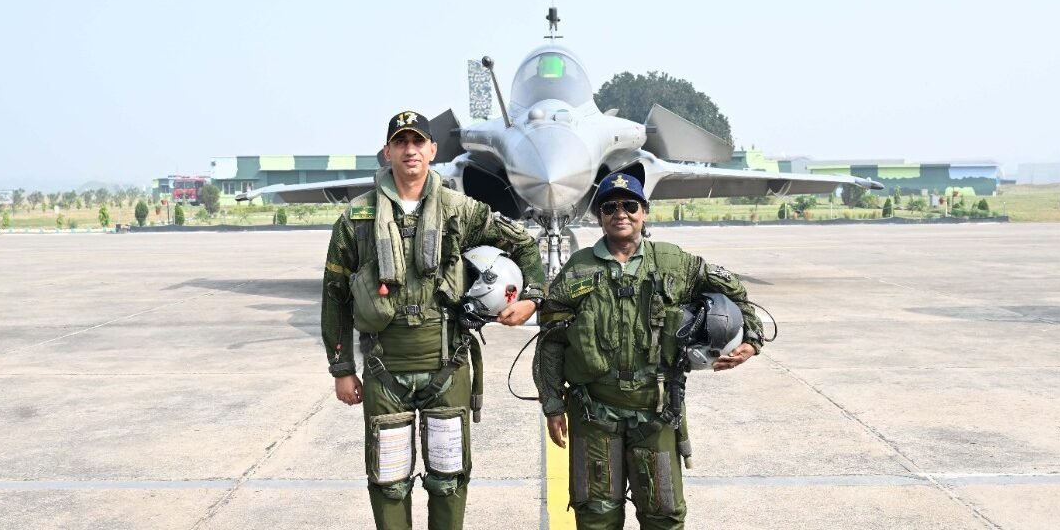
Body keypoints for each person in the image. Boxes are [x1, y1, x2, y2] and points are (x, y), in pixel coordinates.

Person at [322, 111, 547, 530]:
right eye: (401, 142)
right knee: (388, 481)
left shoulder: (459, 210)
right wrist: (342, 368)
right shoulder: (357, 218)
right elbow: (335, 295)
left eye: (417, 142)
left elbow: (524, 246)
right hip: (384, 369)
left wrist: (532, 299)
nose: (410, 150)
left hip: (448, 366)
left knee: (449, 479)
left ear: (432, 150)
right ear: (387, 152)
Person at [533, 172, 766, 530]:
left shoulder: (674, 263)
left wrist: (752, 339)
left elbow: (734, 290)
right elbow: (550, 341)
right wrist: (552, 404)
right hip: (593, 412)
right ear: (599, 216)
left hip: (656, 412)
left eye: (630, 205)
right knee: (595, 517)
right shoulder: (579, 268)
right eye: (609, 207)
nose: (620, 213)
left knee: (663, 516)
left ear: (644, 211)